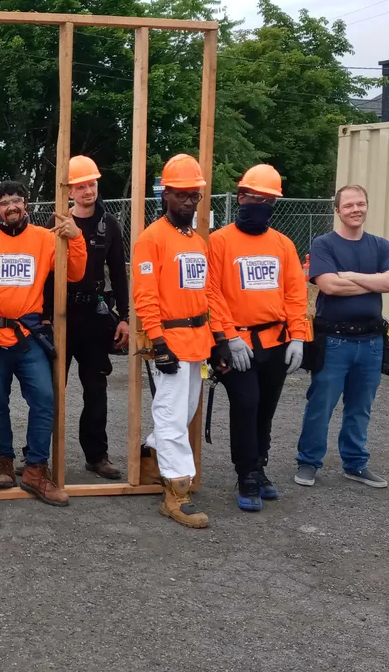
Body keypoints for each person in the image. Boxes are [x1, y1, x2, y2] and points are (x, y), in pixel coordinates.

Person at [0, 180, 87, 506]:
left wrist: (76, 237)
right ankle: (5, 465)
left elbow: (74, 273)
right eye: (4, 203)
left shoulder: (44, 239)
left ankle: (36, 470)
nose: (11, 207)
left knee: (44, 398)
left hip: (28, 341)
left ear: (26, 204)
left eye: (17, 201)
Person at [132, 154, 230, 529]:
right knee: (171, 416)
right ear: (167, 195)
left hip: (198, 340)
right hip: (171, 339)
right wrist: (158, 342)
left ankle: (151, 454)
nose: (190, 202)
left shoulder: (196, 241)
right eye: (183, 195)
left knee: (184, 413)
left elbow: (208, 293)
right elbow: (145, 297)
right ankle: (176, 494)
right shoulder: (151, 239)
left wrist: (219, 338)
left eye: (196, 196)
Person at [205, 164, 308, 512]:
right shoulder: (219, 242)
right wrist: (228, 338)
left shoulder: (282, 245)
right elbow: (211, 293)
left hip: (276, 343)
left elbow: (295, 294)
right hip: (238, 344)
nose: (260, 204)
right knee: (246, 404)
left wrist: (298, 336)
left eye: (268, 200)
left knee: (265, 408)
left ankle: (259, 465)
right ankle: (246, 472)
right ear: (240, 197)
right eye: (254, 198)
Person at [295, 184, 389, 489]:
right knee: (321, 404)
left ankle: (355, 464)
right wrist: (374, 282)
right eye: (349, 205)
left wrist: (351, 276)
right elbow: (329, 286)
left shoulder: (381, 246)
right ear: (338, 210)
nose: (356, 209)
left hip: (371, 342)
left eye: (361, 204)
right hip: (334, 341)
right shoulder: (324, 244)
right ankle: (308, 462)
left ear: (367, 207)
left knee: (360, 407)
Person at [53, 155, 131, 480]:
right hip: (62, 315)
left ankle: (97, 456)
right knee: (54, 388)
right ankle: (40, 458)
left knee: (96, 389)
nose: (88, 190)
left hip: (95, 315)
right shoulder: (57, 223)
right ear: (69, 191)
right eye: (81, 185)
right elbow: (46, 273)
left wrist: (126, 317)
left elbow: (120, 274)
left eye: (92, 183)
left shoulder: (108, 224)